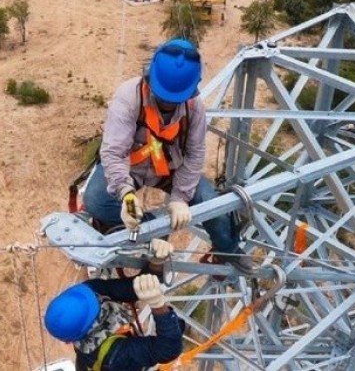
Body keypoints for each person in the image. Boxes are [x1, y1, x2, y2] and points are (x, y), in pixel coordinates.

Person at [82, 38, 256, 274]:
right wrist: (126, 194)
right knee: (96, 200)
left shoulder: (193, 107)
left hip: (170, 168)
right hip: (130, 167)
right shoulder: (129, 97)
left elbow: (195, 154)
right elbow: (113, 151)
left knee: (211, 203)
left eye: (173, 100)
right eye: (163, 96)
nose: (166, 103)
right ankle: (153, 234)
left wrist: (180, 198)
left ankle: (228, 249)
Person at [45, 239, 183, 371]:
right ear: (93, 325)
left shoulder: (90, 293)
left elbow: (130, 289)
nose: (100, 299)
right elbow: (169, 349)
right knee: (176, 327)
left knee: (177, 326)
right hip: (118, 365)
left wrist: (156, 263)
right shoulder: (117, 356)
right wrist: (158, 305)